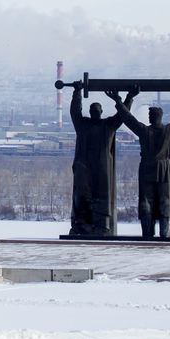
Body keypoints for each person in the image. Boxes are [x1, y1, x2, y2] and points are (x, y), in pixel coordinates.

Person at [112, 90, 170, 239]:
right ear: (160, 117)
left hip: (146, 168)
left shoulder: (144, 131)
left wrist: (119, 102)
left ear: (150, 118)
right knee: (165, 199)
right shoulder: (169, 131)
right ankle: (165, 232)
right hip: (163, 168)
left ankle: (147, 231)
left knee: (146, 200)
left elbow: (128, 118)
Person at [68, 87, 134, 236]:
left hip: (101, 169)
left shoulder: (108, 125)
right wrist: (76, 93)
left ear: (101, 112)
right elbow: (75, 112)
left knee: (102, 196)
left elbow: (122, 116)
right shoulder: (82, 124)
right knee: (82, 196)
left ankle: (103, 225)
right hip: (84, 167)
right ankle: (81, 224)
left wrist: (129, 98)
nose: (94, 112)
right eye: (92, 110)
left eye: (97, 110)